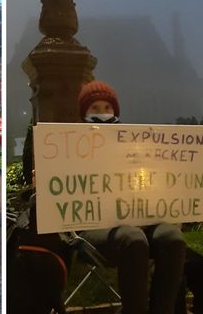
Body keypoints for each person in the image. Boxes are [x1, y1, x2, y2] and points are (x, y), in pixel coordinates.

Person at [77, 80, 186, 314]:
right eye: (95, 108)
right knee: (133, 239)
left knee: (173, 239)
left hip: (139, 217)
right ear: (83, 112)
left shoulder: (135, 143)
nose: (103, 114)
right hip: (95, 225)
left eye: (108, 108)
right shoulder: (70, 144)